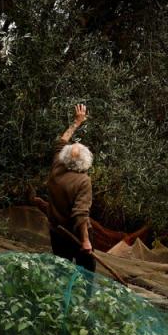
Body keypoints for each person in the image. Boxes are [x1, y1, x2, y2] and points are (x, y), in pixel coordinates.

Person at [44, 103, 96, 273]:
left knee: (61, 272)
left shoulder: (57, 167)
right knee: (85, 274)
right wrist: (86, 241)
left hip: (57, 232)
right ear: (85, 161)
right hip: (75, 235)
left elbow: (61, 141)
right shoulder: (83, 181)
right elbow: (80, 214)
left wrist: (77, 122)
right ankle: (84, 300)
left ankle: (60, 300)